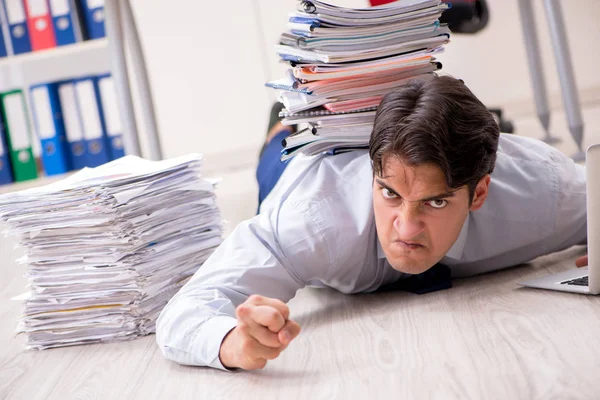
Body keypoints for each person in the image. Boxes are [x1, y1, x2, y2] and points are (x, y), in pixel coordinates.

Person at [155, 75, 588, 371]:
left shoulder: (544, 194)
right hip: (301, 158)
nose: (405, 228)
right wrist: (231, 342)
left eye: (435, 202)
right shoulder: (310, 223)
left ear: (478, 194)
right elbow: (184, 312)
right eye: (390, 195)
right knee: (283, 141)